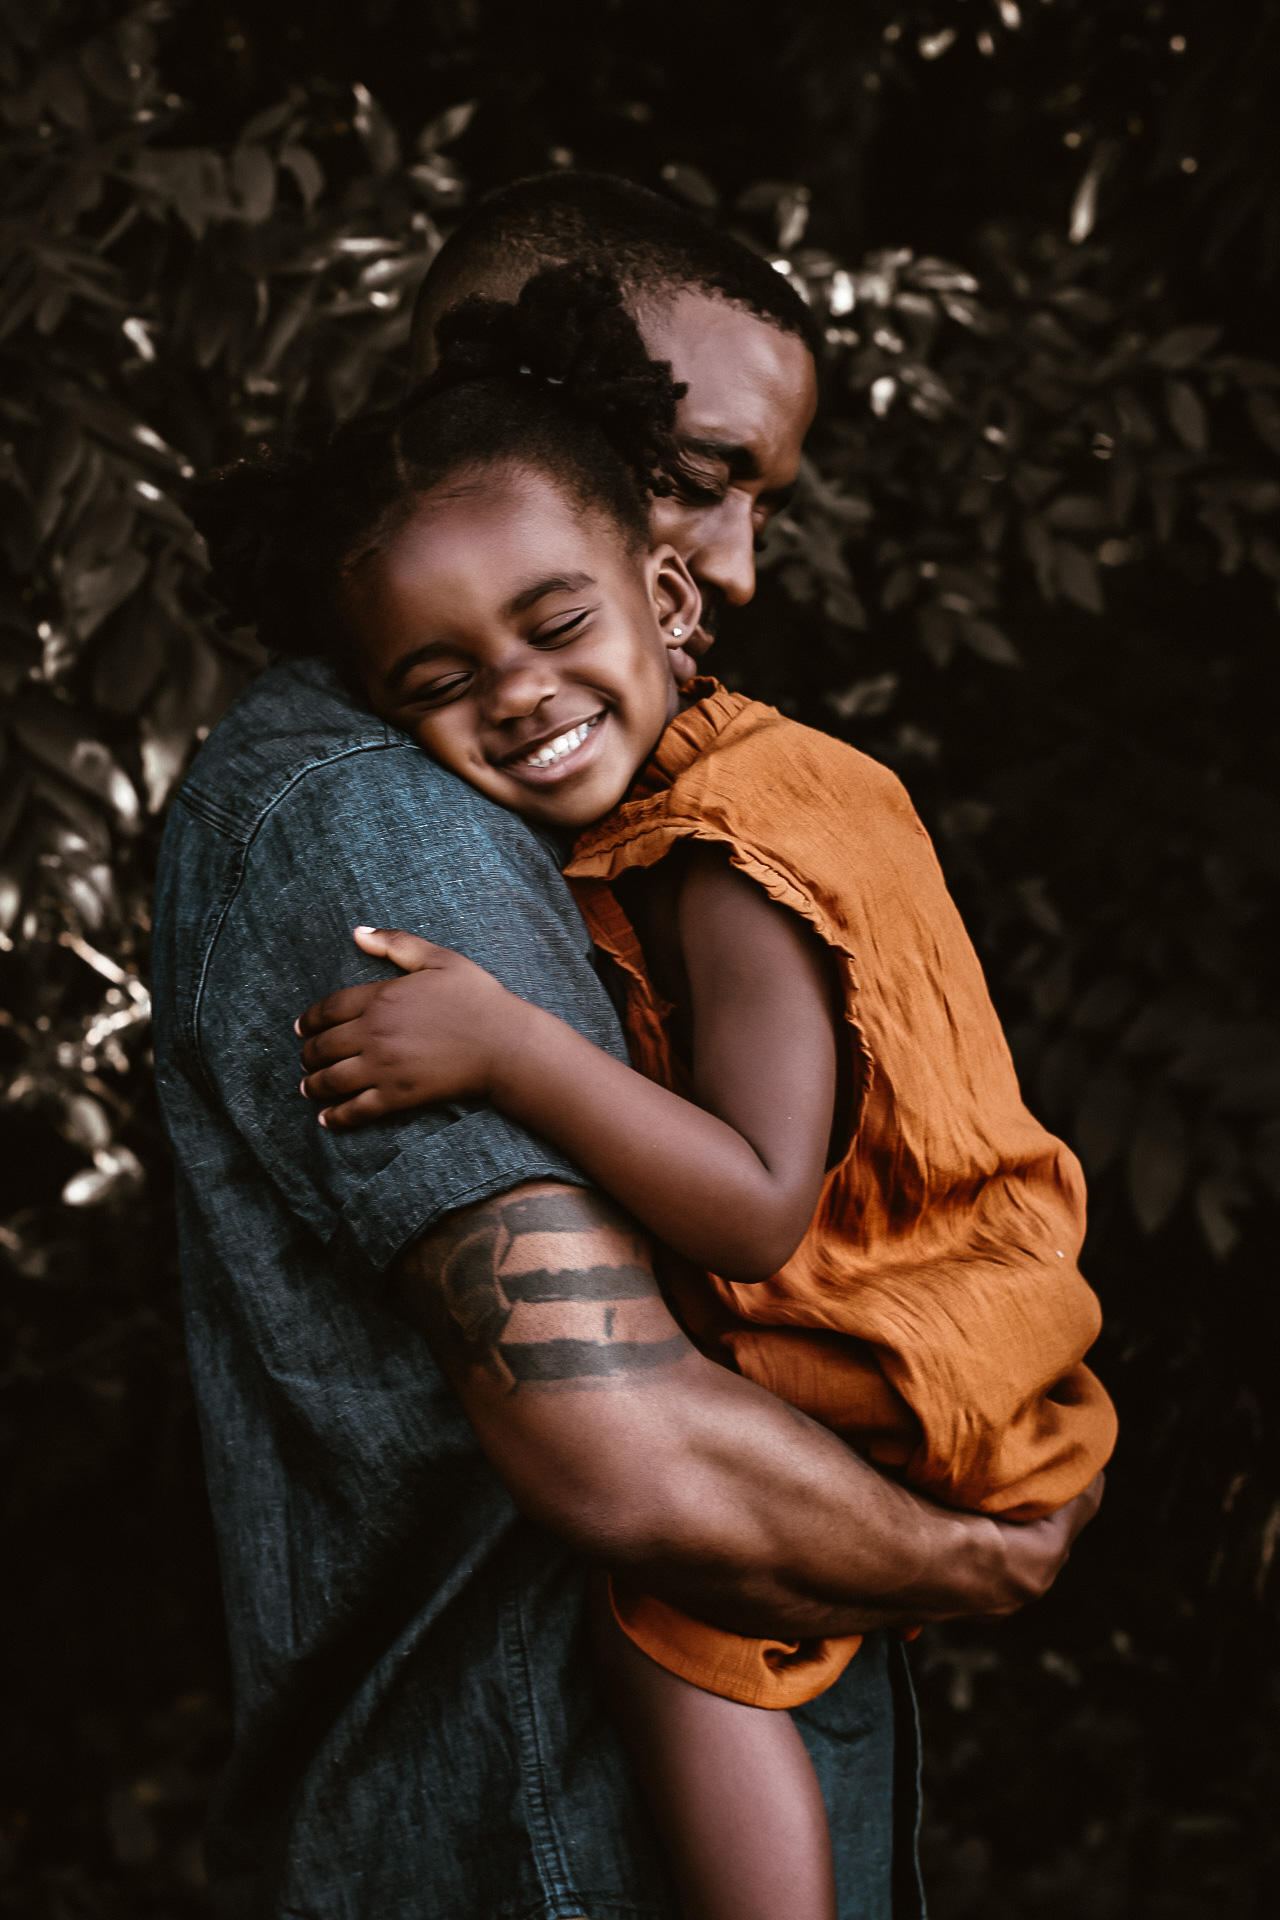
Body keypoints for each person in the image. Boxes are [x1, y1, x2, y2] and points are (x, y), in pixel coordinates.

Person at [156, 174, 1099, 1920]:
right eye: (709, 471)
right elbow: (620, 1446)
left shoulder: (652, 810)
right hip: (538, 1847)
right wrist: (966, 1561)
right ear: (525, 395)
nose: (734, 560)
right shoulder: (386, 828)